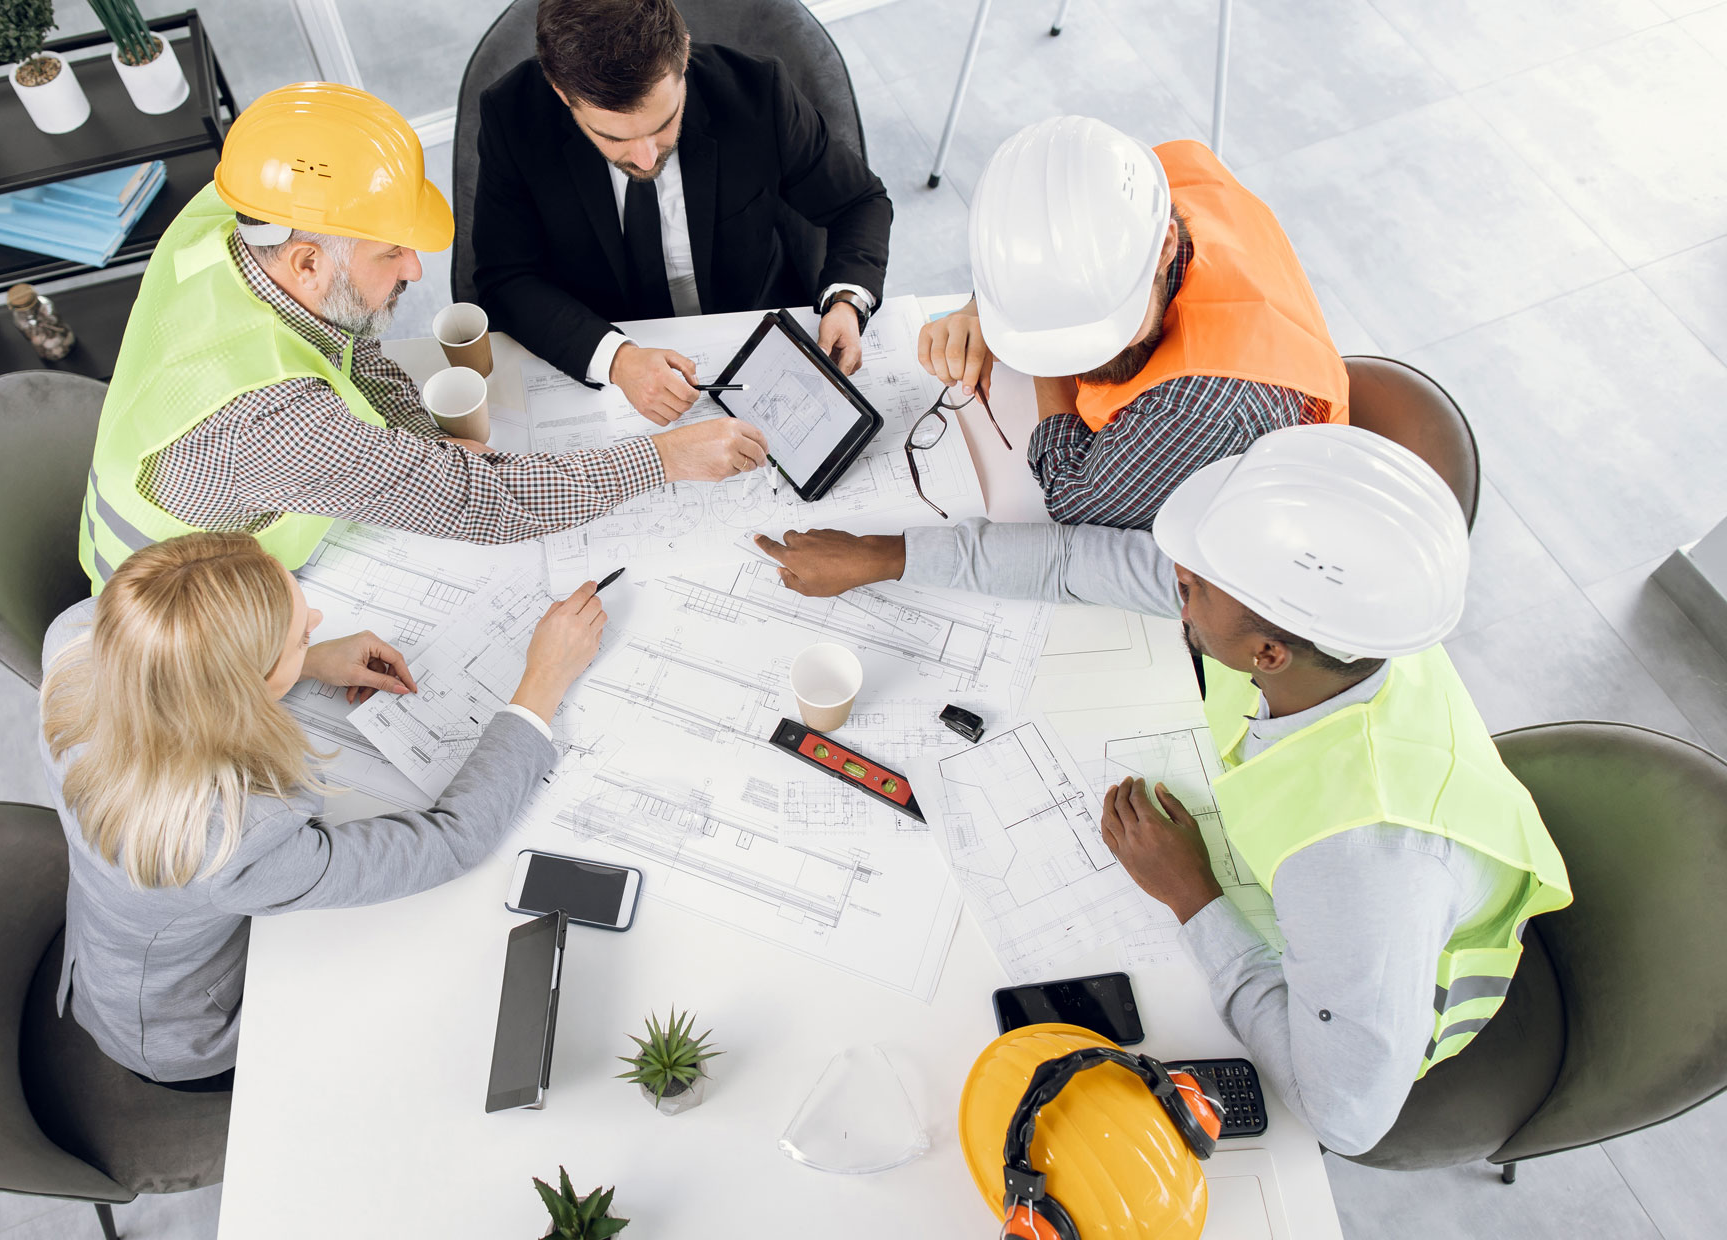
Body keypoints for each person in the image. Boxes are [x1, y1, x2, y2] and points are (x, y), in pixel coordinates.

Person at [756, 425, 1572, 1155]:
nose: (1172, 577)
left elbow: (1346, 1117)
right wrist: (886, 556)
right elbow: (1080, 563)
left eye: (1194, 587)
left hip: (1391, 995)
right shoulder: (1338, 631)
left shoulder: (1361, 864)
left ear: (1268, 654)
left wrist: (1193, 897)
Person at [78, 80, 767, 593]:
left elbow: (347, 344)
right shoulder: (272, 421)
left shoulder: (236, 216)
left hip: (208, 528)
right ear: (309, 262)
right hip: (191, 621)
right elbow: (482, 501)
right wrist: (662, 460)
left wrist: (422, 435)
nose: (416, 267)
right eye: (391, 253)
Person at [39, 530, 606, 1086]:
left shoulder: (82, 636)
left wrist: (302, 662)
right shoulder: (231, 840)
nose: (314, 620)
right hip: (179, 1028)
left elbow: (178, 669)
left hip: (112, 937)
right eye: (299, 635)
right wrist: (542, 683)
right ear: (241, 685)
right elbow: (453, 841)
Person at [471, 0, 894, 425]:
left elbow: (859, 202)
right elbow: (506, 276)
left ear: (684, 55)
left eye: (663, 123)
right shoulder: (512, 116)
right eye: (612, 137)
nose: (644, 157)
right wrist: (617, 359)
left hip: (751, 334)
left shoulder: (759, 93)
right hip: (597, 351)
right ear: (561, 92)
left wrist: (845, 300)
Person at [918, 115, 1348, 530]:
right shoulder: (1147, 191)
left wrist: (1043, 363)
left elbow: (1073, 497)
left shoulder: (1201, 408)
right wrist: (983, 311)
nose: (1081, 357)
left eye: (1097, 331)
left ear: (1164, 248)